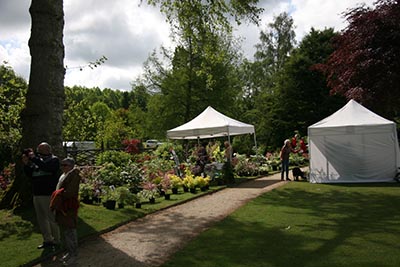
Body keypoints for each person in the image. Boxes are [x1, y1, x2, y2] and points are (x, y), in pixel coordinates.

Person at [22, 142, 61, 249]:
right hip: (37, 193)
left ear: (47, 150)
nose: (38, 151)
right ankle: (47, 240)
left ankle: (57, 240)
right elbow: (30, 174)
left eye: (40, 149)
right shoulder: (37, 161)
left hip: (48, 193)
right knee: (41, 218)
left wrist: (34, 158)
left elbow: (47, 168)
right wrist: (26, 164)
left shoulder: (54, 160)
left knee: (51, 217)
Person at [51, 158, 81, 266]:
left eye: (65, 165)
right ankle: (69, 252)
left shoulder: (74, 176)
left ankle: (74, 255)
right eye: (62, 165)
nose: (63, 167)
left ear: (71, 166)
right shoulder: (64, 175)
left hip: (68, 207)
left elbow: (70, 192)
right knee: (65, 230)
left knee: (70, 231)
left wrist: (58, 195)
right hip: (62, 206)